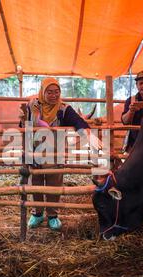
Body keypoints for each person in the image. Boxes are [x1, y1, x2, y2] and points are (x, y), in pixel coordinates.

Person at [27, 78, 91, 231]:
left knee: (54, 185)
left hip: (55, 153)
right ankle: (37, 213)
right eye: (49, 92)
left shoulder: (64, 109)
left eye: (57, 92)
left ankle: (52, 216)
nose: (54, 95)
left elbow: (78, 122)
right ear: (43, 92)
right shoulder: (32, 106)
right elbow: (24, 125)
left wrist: (85, 132)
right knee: (35, 184)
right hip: (34, 151)